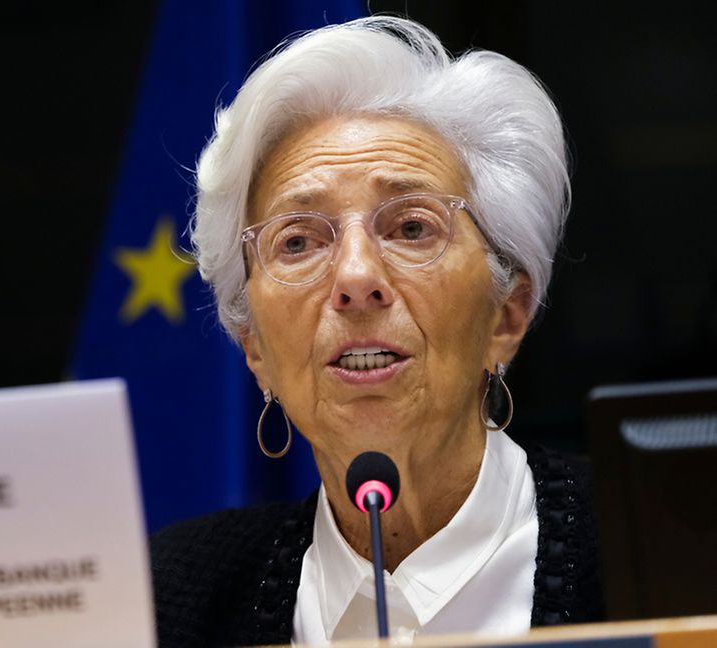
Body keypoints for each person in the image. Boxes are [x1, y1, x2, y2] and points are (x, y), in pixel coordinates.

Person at [150, 16, 602, 647]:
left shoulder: (657, 546)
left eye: (411, 228)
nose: (356, 277)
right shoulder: (168, 604)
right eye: (298, 241)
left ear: (507, 313)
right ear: (254, 345)